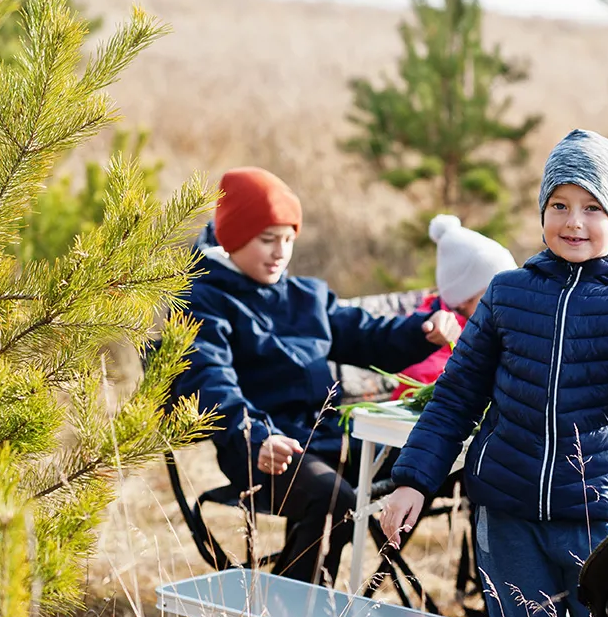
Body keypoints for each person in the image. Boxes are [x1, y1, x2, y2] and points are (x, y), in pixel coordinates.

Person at [380, 129, 608, 617]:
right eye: (560, 204)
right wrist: (413, 479)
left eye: (593, 207)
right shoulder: (508, 292)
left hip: (591, 516)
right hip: (507, 514)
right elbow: (456, 397)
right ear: (541, 209)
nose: (574, 221)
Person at [170, 166, 461, 586]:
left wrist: (421, 332)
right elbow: (209, 379)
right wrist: (255, 438)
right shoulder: (204, 299)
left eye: (288, 239)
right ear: (232, 237)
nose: (280, 252)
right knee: (337, 501)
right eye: (267, 239)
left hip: (325, 438)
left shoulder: (305, 297)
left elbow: (364, 334)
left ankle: (303, 604)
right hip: (263, 451)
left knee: (432, 458)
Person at [391, 213, 517, 399]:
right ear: (464, 297)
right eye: (496, 294)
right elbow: (423, 382)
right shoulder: (435, 338)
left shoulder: (497, 326)